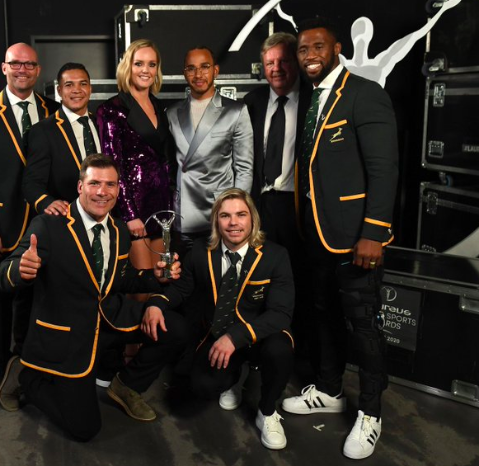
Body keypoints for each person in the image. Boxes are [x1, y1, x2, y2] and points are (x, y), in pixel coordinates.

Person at [0, 154, 188, 441]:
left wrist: (155, 278)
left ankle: (125, 385)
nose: (102, 191)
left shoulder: (119, 230)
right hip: (66, 334)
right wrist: (21, 270)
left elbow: (120, 280)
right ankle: (27, 378)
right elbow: (2, 275)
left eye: (110, 184)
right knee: (85, 429)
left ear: (118, 189)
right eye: (94, 183)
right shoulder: (48, 226)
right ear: (80, 187)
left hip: (107, 320)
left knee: (177, 329)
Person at [281, 17, 399, 460]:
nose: (309, 54)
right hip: (316, 234)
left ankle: (371, 413)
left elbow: (385, 169)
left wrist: (373, 233)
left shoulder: (365, 94)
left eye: (317, 47)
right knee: (323, 314)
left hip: (355, 240)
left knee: (363, 326)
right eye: (303, 49)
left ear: (336, 50)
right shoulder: (313, 98)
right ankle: (330, 390)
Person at [144, 188, 294, 450]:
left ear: (253, 220)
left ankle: (267, 412)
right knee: (202, 387)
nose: (233, 222)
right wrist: (156, 303)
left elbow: (280, 313)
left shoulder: (275, 255)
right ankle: (236, 375)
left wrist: (236, 337)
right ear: (216, 222)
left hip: (258, 336)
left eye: (241, 215)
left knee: (280, 348)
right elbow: (181, 289)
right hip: (219, 332)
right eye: (225, 215)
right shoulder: (202, 251)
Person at [0, 43, 59, 397]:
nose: (23, 69)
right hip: (1, 225)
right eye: (15, 64)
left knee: (35, 301)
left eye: (30, 64)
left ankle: (27, 367)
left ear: (38, 70)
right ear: (3, 68)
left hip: (42, 225)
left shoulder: (53, 110)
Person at [243, 32, 311, 352]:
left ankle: (292, 347)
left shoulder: (315, 99)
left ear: (296, 61)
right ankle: (257, 347)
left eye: (283, 60)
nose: (277, 68)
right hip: (260, 204)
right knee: (257, 277)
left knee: (298, 277)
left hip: (298, 205)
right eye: (269, 63)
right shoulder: (254, 101)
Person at [167, 46, 253, 255]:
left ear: (215, 70)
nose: (198, 75)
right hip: (184, 212)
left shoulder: (235, 111)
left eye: (204, 67)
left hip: (218, 210)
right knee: (186, 277)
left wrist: (236, 212)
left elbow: (244, 168)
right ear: (184, 73)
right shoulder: (170, 113)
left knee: (218, 279)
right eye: (191, 68)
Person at [97, 39, 173, 272]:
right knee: (141, 285)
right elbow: (113, 167)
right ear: (127, 67)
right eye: (138, 63)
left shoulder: (159, 106)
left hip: (161, 207)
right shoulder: (111, 109)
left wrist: (170, 206)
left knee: (164, 278)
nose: (145, 70)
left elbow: (165, 161)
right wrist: (129, 215)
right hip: (134, 207)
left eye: (152, 64)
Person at [22, 63, 100, 217]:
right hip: (66, 220)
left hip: (106, 217)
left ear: (90, 88)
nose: (77, 90)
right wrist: (46, 202)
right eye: (69, 85)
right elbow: (31, 183)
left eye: (83, 84)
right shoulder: (43, 131)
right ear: (59, 90)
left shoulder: (103, 124)